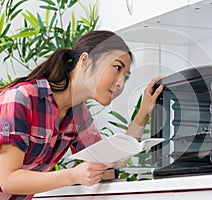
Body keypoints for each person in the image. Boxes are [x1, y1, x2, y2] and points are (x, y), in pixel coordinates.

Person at [0, 30, 163, 199]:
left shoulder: (78, 116)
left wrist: (143, 113)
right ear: (85, 61)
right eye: (117, 68)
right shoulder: (21, 98)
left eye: (126, 77)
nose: (121, 83)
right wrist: (73, 175)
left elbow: (111, 162)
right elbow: (8, 180)